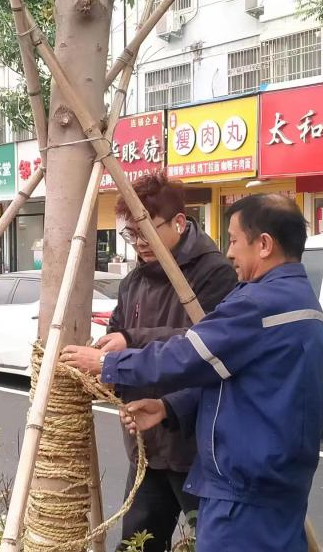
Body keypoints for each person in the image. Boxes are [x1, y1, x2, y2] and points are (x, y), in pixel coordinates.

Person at [60, 194, 323, 552]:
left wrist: (109, 363)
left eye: (234, 240)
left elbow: (190, 354)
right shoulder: (301, 301)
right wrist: (169, 407)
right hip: (271, 480)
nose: (230, 252)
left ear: (264, 244)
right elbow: (235, 376)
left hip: (241, 489)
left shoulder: (253, 300)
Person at [97, 174, 237, 552]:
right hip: (145, 445)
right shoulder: (133, 281)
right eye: (131, 234)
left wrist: (131, 340)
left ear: (178, 222)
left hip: (197, 447)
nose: (140, 243)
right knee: (136, 544)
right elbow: (116, 336)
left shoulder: (214, 273)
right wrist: (106, 369)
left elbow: (204, 346)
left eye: (146, 231)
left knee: (214, 543)